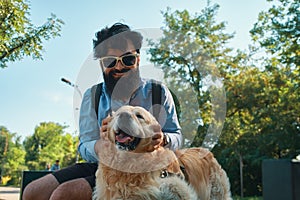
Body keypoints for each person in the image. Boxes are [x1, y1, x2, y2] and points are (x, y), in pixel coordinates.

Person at [22, 22, 182, 200]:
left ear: (138, 59)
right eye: (110, 61)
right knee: (33, 192)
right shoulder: (93, 96)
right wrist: (99, 146)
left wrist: (163, 139)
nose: (119, 67)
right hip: (104, 165)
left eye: (127, 59)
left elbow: (175, 134)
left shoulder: (158, 92)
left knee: (64, 195)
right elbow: (85, 143)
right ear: (101, 64)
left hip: (149, 168)